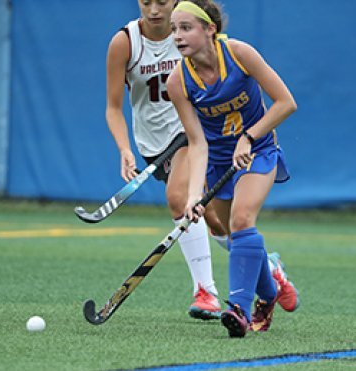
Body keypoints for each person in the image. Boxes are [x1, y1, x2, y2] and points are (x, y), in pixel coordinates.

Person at [167, 0, 298, 337]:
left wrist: (249, 137)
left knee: (242, 221)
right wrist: (195, 196)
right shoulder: (178, 82)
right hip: (218, 161)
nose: (177, 36)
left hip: (258, 149)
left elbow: (286, 103)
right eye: (174, 29)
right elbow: (197, 144)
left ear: (210, 29)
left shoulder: (240, 54)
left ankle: (237, 307)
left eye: (186, 28)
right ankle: (269, 293)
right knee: (227, 233)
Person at [106, 0, 226, 320]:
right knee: (212, 219)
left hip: (190, 132)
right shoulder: (125, 42)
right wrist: (124, 149)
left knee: (178, 199)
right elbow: (113, 107)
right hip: (152, 145)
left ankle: (206, 292)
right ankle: (267, 268)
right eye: (147, 1)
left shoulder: (188, 32)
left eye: (163, 1)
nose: (155, 9)